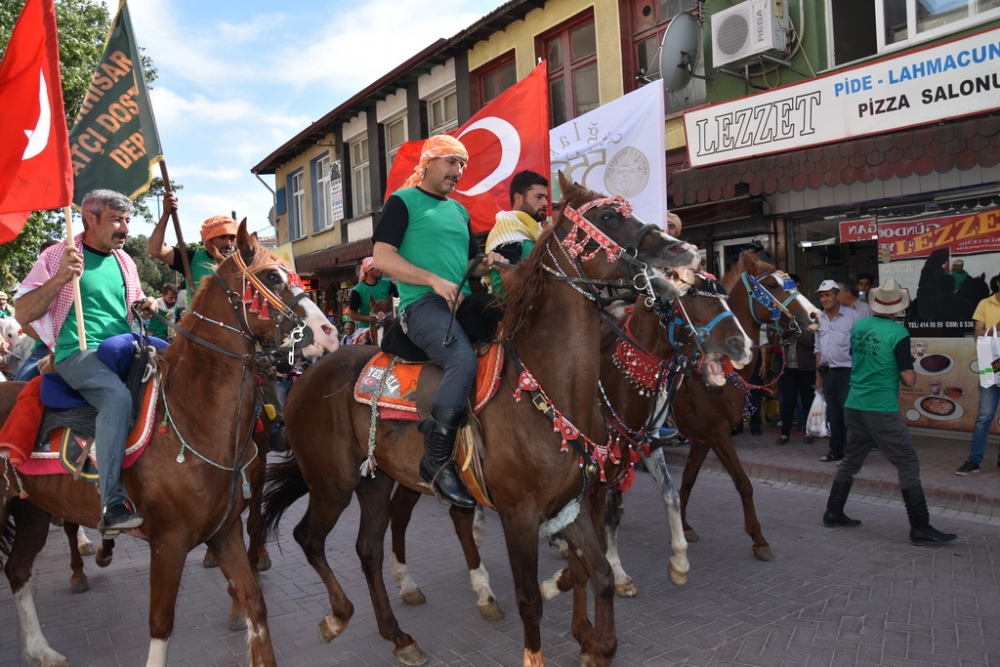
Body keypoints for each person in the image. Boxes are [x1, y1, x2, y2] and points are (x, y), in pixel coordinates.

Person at [15, 189, 155, 533]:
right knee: (116, 397)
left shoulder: (126, 261)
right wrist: (61, 277)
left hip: (125, 347)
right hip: (76, 353)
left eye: (127, 220)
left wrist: (145, 307)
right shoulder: (56, 255)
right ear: (90, 218)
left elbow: (132, 309)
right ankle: (112, 502)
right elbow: (22, 313)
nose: (124, 228)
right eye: (116, 220)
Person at [372, 134, 502, 508]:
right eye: (450, 162)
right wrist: (432, 279)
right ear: (427, 163)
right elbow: (382, 258)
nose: (458, 171)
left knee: (512, 329)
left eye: (462, 164)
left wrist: (484, 262)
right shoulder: (403, 201)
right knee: (461, 360)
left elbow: (469, 266)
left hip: (457, 301)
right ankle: (435, 459)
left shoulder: (460, 211)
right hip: (422, 305)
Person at [822, 278, 956, 545]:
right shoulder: (899, 334)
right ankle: (920, 527)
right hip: (880, 406)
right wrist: (906, 368)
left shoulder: (860, 326)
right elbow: (908, 380)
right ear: (898, 307)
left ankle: (833, 512)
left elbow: (859, 357)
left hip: (855, 403)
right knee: (907, 461)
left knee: (851, 459)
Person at [147, 193, 237, 300]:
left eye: (232, 238)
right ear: (209, 241)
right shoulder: (190, 259)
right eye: (222, 237)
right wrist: (166, 214)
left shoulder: (239, 264)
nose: (228, 243)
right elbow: (155, 249)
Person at [955, 273, 1000, 476]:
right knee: (984, 416)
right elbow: (977, 334)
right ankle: (974, 460)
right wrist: (996, 329)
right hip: (993, 366)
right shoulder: (985, 303)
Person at [814, 279, 861, 462]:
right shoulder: (819, 318)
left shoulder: (853, 316)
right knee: (833, 415)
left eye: (827, 295)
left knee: (848, 415)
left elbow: (859, 347)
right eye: (822, 296)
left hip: (847, 373)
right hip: (827, 373)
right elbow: (817, 349)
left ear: (837, 296)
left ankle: (851, 454)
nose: (824, 299)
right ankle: (835, 451)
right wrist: (818, 375)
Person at [483, 170, 549, 296]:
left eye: (546, 198)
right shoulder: (507, 227)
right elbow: (512, 284)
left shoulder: (533, 230)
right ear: (518, 198)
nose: (545, 203)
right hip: (510, 310)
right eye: (539, 197)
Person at [776, 326, 816, 445]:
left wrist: (797, 331)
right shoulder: (789, 326)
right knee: (787, 403)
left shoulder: (810, 326)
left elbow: (810, 342)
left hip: (806, 370)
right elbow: (779, 338)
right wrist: (785, 332)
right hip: (789, 370)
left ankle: (808, 432)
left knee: (807, 402)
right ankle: (785, 434)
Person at [348, 257, 397, 329]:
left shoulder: (387, 283)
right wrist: (371, 318)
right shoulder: (357, 290)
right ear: (369, 270)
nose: (381, 270)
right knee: (357, 340)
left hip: (388, 326)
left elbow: (401, 297)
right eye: (377, 268)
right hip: (366, 328)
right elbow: (352, 315)